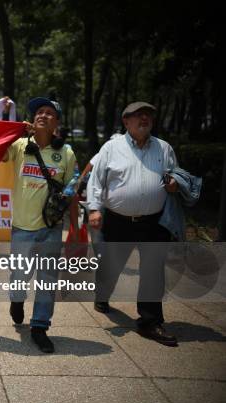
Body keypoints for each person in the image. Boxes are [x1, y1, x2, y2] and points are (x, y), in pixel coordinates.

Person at [87, 101, 179, 347]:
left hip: (154, 222)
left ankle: (150, 321)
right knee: (112, 265)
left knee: (152, 271)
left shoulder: (164, 148)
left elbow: (174, 176)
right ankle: (102, 294)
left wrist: (174, 184)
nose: (144, 119)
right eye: (138, 115)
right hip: (118, 221)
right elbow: (96, 180)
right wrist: (94, 208)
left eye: (148, 115)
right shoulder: (111, 147)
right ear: (126, 121)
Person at [2, 97, 79, 353]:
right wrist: (7, 123)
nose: (42, 115)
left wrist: (64, 196)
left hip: (51, 228)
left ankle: (39, 327)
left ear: (56, 122)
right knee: (19, 276)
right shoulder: (19, 145)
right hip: (22, 227)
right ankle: (17, 300)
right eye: (38, 112)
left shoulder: (66, 152)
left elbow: (75, 181)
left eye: (49, 113)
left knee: (47, 279)